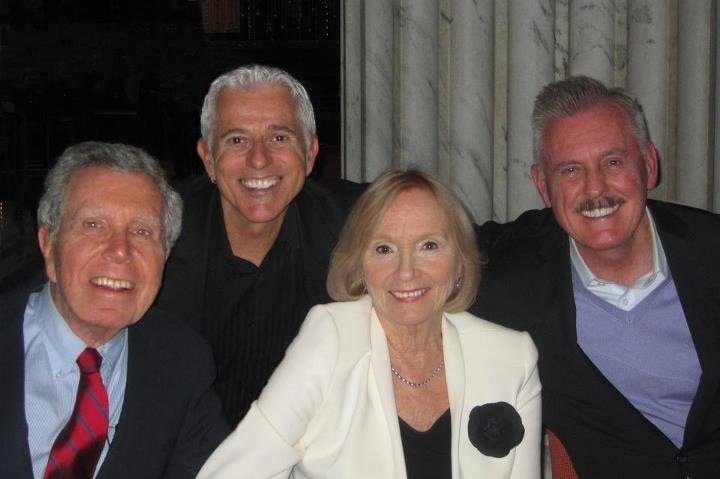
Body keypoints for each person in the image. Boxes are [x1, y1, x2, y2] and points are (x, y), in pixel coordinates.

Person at [198, 169, 541, 479]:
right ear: (360, 266)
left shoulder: (511, 357)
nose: (407, 271)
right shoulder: (331, 339)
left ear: (460, 263)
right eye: (384, 249)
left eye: (429, 246)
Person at [472, 76, 720, 478]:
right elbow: (432, 243)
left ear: (649, 165)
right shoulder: (515, 284)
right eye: (571, 170)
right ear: (542, 186)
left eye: (613, 161)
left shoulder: (711, 251)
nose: (595, 189)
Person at [0, 141, 229, 479]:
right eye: (94, 225)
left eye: (141, 231)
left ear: (164, 257)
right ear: (49, 246)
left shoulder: (181, 363)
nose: (120, 251)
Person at [153, 64, 363, 425]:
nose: (259, 159)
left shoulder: (349, 221)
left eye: (279, 138)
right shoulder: (156, 232)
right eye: (237, 140)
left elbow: (461, 236)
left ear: (311, 154)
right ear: (208, 159)